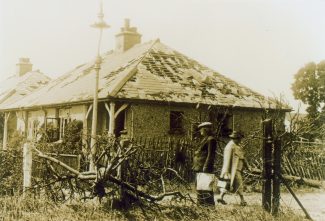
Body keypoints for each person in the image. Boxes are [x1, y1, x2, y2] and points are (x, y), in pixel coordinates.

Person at [218, 131, 251, 206]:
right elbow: (228, 159)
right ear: (236, 138)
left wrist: (247, 166)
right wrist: (227, 170)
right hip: (233, 170)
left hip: (235, 169)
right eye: (239, 139)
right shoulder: (231, 146)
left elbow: (242, 157)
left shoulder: (235, 146)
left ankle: (221, 196)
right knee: (238, 183)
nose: (240, 141)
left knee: (228, 183)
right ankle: (242, 200)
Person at [192, 122, 217, 206]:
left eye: (201, 129)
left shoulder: (211, 139)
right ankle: (200, 204)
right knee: (200, 187)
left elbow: (210, 155)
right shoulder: (204, 139)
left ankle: (208, 205)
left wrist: (206, 167)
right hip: (199, 167)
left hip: (204, 168)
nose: (200, 131)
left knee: (206, 187)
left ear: (206, 129)